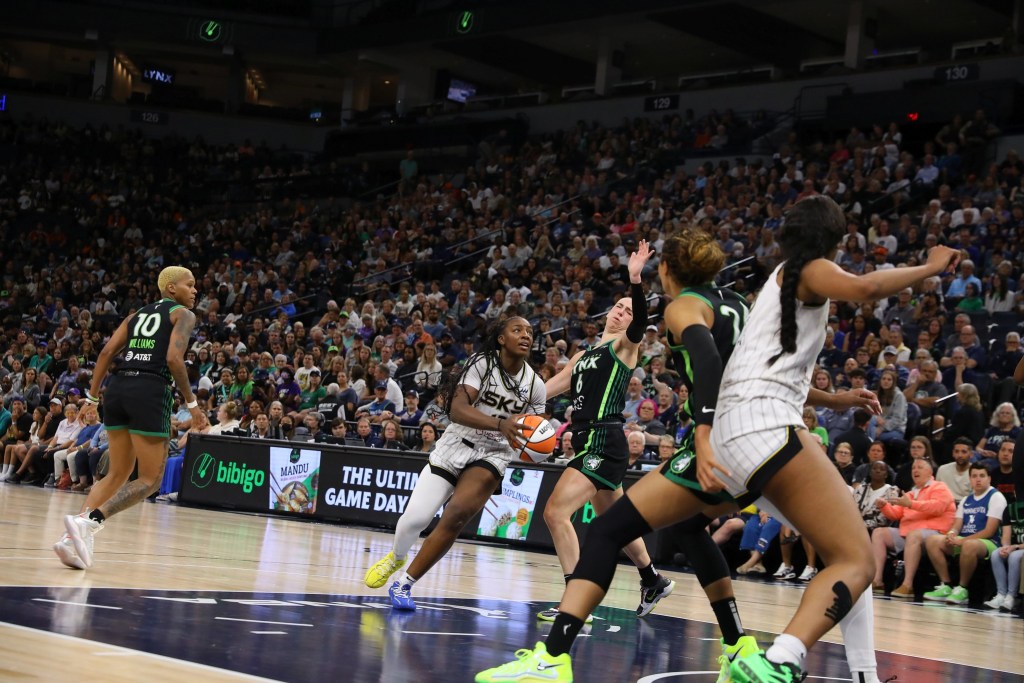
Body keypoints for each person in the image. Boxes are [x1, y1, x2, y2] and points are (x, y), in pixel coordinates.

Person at [533, 240, 675, 623]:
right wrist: (508, 398)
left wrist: (635, 281)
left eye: (629, 310)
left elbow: (642, 316)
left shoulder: (626, 349)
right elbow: (546, 390)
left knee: (555, 512)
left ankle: (574, 602)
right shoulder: (582, 355)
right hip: (586, 439)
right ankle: (652, 579)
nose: (622, 312)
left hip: (603, 438)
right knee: (614, 521)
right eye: (619, 306)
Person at [363, 317, 544, 611]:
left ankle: (404, 584)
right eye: (518, 330)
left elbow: (536, 430)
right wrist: (501, 423)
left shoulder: (535, 385)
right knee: (415, 520)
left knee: (456, 515)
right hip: (456, 443)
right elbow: (457, 410)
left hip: (493, 453)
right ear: (501, 338)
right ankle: (397, 556)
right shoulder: (481, 364)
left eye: (530, 331)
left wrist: (537, 445)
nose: (526, 335)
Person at [54, 266, 203, 570]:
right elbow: (174, 359)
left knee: (116, 474)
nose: (195, 290)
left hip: (118, 388)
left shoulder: (136, 315)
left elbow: (108, 351)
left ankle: (72, 539)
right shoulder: (183, 315)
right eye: (191, 285)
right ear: (172, 289)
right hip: (150, 389)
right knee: (149, 480)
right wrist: (193, 402)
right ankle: (91, 522)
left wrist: (92, 397)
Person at [922, 462, 1007, 605]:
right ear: (970, 479)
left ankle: (962, 588)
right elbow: (957, 525)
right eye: (974, 476)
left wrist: (962, 541)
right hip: (966, 539)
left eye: (982, 476)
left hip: (990, 543)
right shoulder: (967, 499)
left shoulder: (996, 497)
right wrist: (952, 533)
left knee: (969, 545)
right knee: (932, 540)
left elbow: (989, 531)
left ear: (989, 479)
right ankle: (947, 585)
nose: (978, 479)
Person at [874, 456, 956, 598]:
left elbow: (937, 507)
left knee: (914, 534)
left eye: (920, 467)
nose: (915, 470)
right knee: (878, 533)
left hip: (935, 534)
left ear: (930, 472)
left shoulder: (940, 487)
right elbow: (896, 514)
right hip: (910, 535)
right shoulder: (911, 493)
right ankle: (877, 581)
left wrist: (911, 504)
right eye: (913, 468)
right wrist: (884, 506)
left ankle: (907, 585)